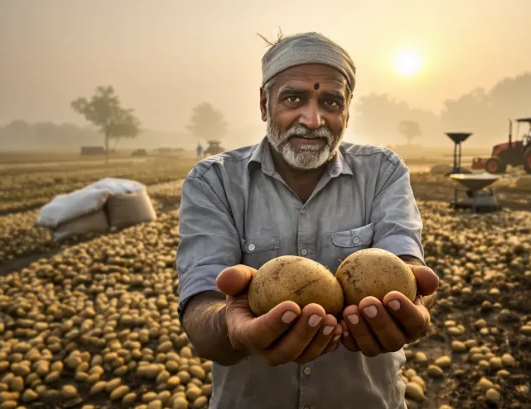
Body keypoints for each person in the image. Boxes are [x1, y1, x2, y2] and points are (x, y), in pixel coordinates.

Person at [176, 32, 439, 409]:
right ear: (264, 105)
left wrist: (414, 293)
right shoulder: (213, 181)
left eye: (330, 101)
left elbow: (404, 261)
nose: (313, 120)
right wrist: (231, 327)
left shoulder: (383, 171)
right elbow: (202, 303)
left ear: (347, 110)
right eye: (293, 97)